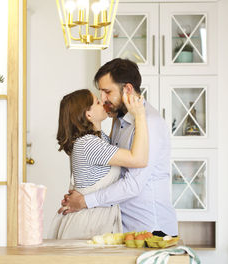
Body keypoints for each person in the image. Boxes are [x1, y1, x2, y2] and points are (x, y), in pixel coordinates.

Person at [59, 58, 178, 237]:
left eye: (107, 92)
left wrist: (84, 200)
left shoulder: (148, 124)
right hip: (120, 226)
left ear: (127, 89)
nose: (103, 99)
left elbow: (133, 184)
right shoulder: (118, 119)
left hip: (150, 228)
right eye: (100, 94)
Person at [48, 88, 149, 239]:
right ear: (88, 115)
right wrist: (140, 115)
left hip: (94, 219)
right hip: (87, 224)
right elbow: (138, 159)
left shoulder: (100, 138)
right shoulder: (88, 143)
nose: (103, 102)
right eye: (97, 102)